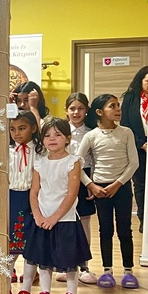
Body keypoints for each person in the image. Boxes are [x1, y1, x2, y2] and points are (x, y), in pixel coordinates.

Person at [24, 118, 92, 294]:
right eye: (47, 135)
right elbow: (34, 192)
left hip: (65, 220)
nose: (52, 139)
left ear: (68, 138)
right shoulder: (39, 164)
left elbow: (71, 194)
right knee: (43, 259)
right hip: (42, 220)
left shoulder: (73, 162)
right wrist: (38, 215)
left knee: (69, 260)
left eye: (58, 135)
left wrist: (54, 217)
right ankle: (45, 293)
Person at [78, 94, 140, 289]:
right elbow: (76, 163)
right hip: (100, 189)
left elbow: (134, 163)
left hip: (121, 188)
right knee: (105, 230)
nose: (117, 109)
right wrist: (91, 185)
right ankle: (107, 271)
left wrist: (118, 184)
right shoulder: (91, 136)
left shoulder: (126, 132)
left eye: (117, 105)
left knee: (124, 229)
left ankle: (128, 271)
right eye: (112, 106)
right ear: (99, 112)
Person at [9, 111, 45, 294]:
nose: (17, 133)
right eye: (12, 129)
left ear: (33, 128)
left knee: (31, 247)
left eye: (22, 128)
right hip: (11, 200)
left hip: (34, 200)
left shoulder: (41, 152)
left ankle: (26, 289)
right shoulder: (7, 152)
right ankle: (5, 287)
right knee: (10, 247)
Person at [64, 92, 97, 284]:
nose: (76, 112)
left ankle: (84, 266)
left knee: (84, 223)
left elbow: (93, 161)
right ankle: (67, 264)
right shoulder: (60, 131)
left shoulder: (92, 133)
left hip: (85, 179)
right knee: (65, 222)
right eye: (72, 108)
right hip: (63, 179)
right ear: (66, 111)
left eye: (80, 108)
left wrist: (90, 183)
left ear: (86, 111)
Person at [120, 66, 148, 232]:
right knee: (140, 185)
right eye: (147, 81)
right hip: (138, 147)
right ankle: (143, 218)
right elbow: (125, 124)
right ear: (141, 81)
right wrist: (141, 144)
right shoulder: (131, 98)